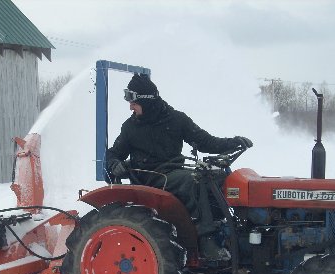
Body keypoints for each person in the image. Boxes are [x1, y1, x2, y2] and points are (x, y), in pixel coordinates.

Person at [105, 73, 253, 261]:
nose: (130, 107)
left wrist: (233, 142)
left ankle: (228, 230)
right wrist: (114, 163)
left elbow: (204, 141)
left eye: (134, 103)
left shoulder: (176, 119)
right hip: (152, 177)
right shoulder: (130, 127)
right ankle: (205, 238)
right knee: (194, 181)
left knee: (218, 177)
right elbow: (114, 153)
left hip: (174, 171)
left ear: (147, 102)